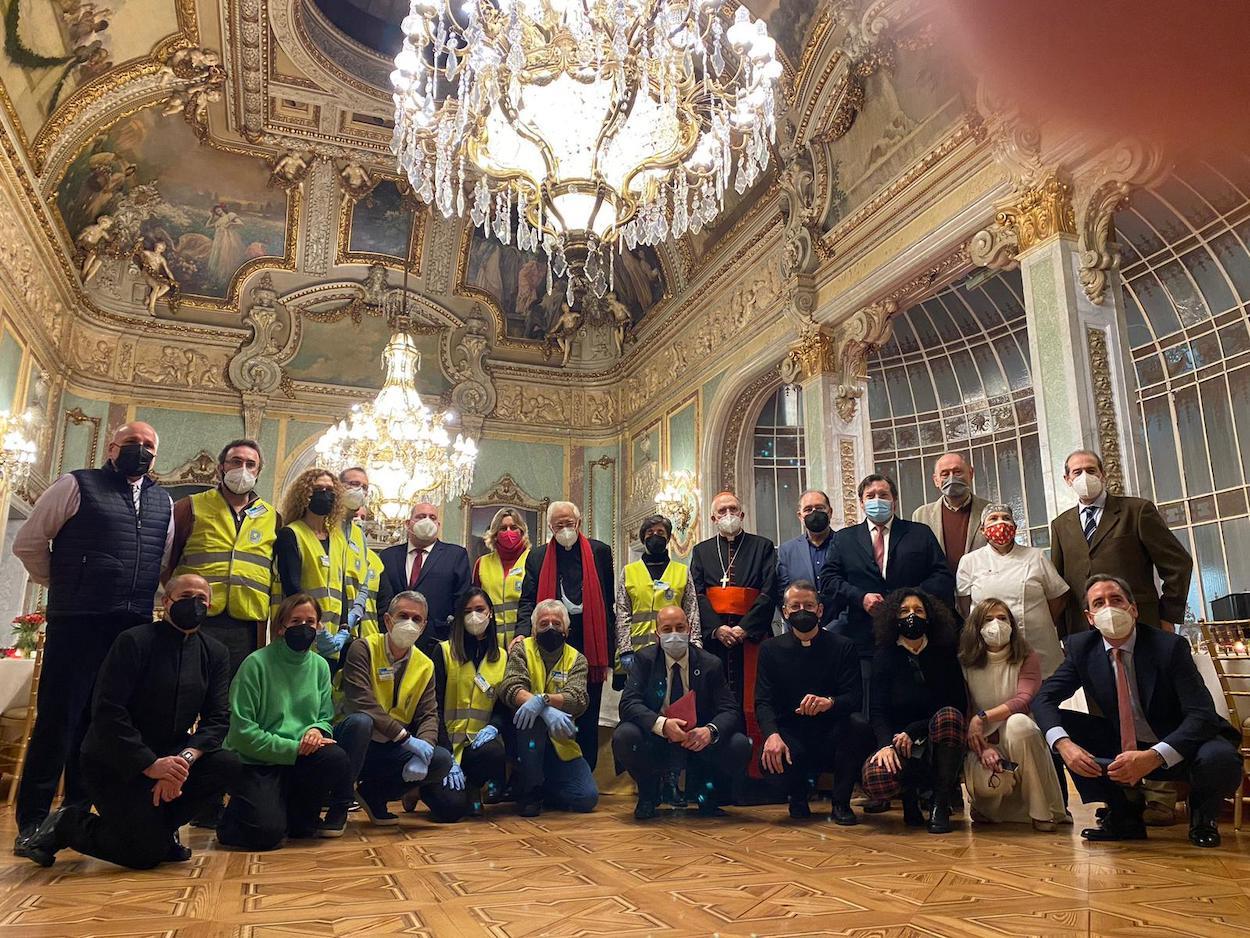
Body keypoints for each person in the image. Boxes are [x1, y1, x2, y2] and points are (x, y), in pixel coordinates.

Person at [12, 421, 174, 846]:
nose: (140, 450)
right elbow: (29, 543)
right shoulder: (76, 485)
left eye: (148, 446)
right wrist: (67, 586)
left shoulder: (164, 502)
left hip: (133, 628)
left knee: (106, 724)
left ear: (157, 456)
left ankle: (79, 814)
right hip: (78, 622)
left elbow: (160, 563)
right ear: (111, 446)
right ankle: (31, 821)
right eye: (132, 443)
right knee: (59, 720)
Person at [14, 575, 241, 869]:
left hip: (171, 759)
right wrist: (150, 764)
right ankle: (67, 823)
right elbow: (108, 712)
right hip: (115, 761)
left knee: (227, 764)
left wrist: (180, 763)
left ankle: (162, 830)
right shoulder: (134, 641)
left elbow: (217, 719)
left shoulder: (215, 653)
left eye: (201, 599)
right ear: (166, 601)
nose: (194, 604)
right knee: (144, 854)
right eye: (186, 596)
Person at [1033, 575, 1241, 848]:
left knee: (1220, 757)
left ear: (1133, 608)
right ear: (1090, 617)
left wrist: (1155, 756)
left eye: (1116, 600)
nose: (1109, 608)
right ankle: (1123, 817)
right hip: (1125, 740)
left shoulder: (1169, 647)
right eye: (1099, 603)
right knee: (1058, 728)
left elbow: (1201, 715)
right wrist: (1064, 745)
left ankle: (1203, 819)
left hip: (1179, 742)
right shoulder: (1081, 648)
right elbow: (1043, 699)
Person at [216, 594, 356, 849]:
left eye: (310, 621)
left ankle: (293, 811)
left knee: (335, 760)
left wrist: (316, 729)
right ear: (281, 627)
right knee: (265, 835)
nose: (304, 627)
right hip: (257, 760)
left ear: (319, 627)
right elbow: (241, 733)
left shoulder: (320, 666)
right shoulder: (255, 664)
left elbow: (325, 717)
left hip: (299, 757)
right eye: (296, 621)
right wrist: (292, 748)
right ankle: (232, 817)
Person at [820, 474, 954, 713]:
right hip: (864, 638)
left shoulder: (919, 533)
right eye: (870, 496)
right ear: (861, 503)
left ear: (894, 501)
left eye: (883, 495)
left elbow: (942, 577)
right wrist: (860, 597)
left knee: (917, 702)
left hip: (916, 639)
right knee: (870, 708)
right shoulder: (844, 539)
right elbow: (830, 581)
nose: (877, 500)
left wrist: (909, 599)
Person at [613, 605, 749, 820]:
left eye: (680, 627)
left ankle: (707, 796)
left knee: (739, 744)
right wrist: (662, 725)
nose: (674, 634)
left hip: (697, 740)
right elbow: (628, 704)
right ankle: (649, 795)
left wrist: (709, 731)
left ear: (689, 630)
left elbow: (730, 710)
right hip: (657, 739)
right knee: (625, 735)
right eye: (667, 629)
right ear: (657, 635)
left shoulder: (710, 664)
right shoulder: (644, 660)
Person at [755, 581, 875, 825]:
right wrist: (772, 735)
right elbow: (763, 700)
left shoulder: (843, 646)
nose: (802, 611)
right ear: (785, 612)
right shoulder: (770, 649)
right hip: (792, 734)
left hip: (831, 733)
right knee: (770, 759)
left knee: (858, 725)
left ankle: (840, 803)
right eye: (795, 606)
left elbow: (854, 698)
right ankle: (797, 797)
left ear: (820, 611)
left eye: (809, 605)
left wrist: (829, 702)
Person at [334, 590, 455, 824]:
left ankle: (374, 795)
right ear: (388, 620)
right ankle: (339, 804)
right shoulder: (363, 648)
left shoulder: (425, 665)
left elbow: (429, 714)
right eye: (403, 616)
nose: (409, 623)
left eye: (416, 619)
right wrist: (405, 738)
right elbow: (363, 701)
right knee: (362, 721)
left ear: (424, 626)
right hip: (353, 741)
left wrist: (425, 749)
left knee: (440, 760)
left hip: (390, 747)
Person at [515, 501, 615, 769]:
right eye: (559, 525)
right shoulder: (536, 557)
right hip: (551, 637)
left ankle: (584, 768)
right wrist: (521, 633)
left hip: (591, 640)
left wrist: (612, 650)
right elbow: (527, 601)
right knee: (549, 700)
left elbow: (608, 603)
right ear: (550, 527)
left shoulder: (600, 552)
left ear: (579, 522)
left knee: (588, 707)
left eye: (569, 523)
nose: (565, 529)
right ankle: (548, 769)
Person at [1050, 449, 1192, 635]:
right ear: (1067, 479)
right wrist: (1063, 634)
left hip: (1139, 622)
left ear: (1103, 475)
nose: (1085, 476)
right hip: (1083, 629)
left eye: (1091, 470)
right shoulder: (1060, 525)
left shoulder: (1137, 511)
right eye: (1077, 472)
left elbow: (1178, 564)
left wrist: (1168, 615)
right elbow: (1059, 585)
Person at [861, 589, 968, 834]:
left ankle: (940, 802)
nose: (912, 616)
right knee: (875, 777)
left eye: (918, 611)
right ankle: (909, 801)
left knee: (950, 717)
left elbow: (956, 705)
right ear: (894, 618)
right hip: (899, 740)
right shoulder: (884, 656)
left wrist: (914, 730)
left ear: (929, 617)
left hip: (938, 736)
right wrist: (886, 745)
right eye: (905, 611)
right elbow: (877, 710)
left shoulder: (944, 654)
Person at [168, 439, 277, 677]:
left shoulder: (272, 517)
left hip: (247, 624)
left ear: (258, 472)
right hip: (197, 615)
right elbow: (167, 562)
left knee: (233, 691)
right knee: (188, 683)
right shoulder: (189, 507)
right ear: (221, 468)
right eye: (236, 462)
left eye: (251, 464)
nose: (243, 470)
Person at [689, 491, 777, 778]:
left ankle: (753, 777)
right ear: (713, 518)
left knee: (752, 700)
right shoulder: (702, 551)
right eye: (722, 510)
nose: (728, 514)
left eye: (733, 509)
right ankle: (716, 778)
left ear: (742, 514)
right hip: (716, 642)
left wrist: (744, 628)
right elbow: (697, 594)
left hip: (750, 640)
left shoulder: (762, 547)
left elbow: (768, 591)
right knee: (714, 702)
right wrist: (716, 628)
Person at [958, 599, 1066, 831]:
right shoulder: (964, 662)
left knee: (1019, 725)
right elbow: (965, 710)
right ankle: (986, 807)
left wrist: (983, 717)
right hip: (981, 742)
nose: (996, 625)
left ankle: (1041, 811)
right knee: (992, 784)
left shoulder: (1027, 656)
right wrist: (983, 747)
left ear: (1012, 624)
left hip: (1019, 738)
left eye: (1002, 618)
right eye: (988, 619)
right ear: (976, 627)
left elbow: (1024, 700)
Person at [499, 600, 599, 817]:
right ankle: (530, 791)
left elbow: (579, 699)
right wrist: (541, 708)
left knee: (586, 797)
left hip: (561, 742)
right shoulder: (521, 650)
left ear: (566, 630)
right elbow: (510, 687)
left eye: (556, 623)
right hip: (525, 740)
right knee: (532, 716)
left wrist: (543, 700)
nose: (551, 628)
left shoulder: (577, 659)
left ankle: (542, 786)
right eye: (544, 624)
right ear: (534, 630)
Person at [424, 588, 511, 821]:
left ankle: (473, 787)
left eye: (480, 610)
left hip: (476, 744)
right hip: (444, 745)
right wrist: (445, 755)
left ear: (490, 613)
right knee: (450, 812)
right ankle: (419, 789)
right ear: (460, 617)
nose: (474, 616)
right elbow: (433, 708)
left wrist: (494, 726)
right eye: (468, 611)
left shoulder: (502, 657)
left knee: (495, 752)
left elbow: (504, 707)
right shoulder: (443, 651)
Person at [956, 503, 1068, 678]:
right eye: (993, 519)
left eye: (1006, 518)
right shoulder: (970, 562)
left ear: (1015, 528)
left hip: (1036, 642)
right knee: (1000, 698)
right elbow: (964, 606)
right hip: (992, 647)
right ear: (983, 531)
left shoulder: (1035, 556)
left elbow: (1057, 597)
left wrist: (1040, 622)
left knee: (1042, 698)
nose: (1000, 523)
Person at [273, 468, 352, 667]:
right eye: (318, 489)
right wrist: (317, 627)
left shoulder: (338, 537)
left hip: (333, 638)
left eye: (330, 490)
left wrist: (344, 627)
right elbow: (292, 586)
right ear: (305, 494)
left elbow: (340, 585)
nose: (325, 494)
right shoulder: (291, 534)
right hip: (302, 629)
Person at [614, 515, 700, 687]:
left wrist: (696, 647)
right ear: (643, 538)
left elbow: (692, 611)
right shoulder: (629, 571)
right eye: (650, 532)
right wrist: (625, 650)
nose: (655, 535)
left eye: (661, 532)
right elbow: (622, 612)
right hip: (637, 653)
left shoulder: (682, 571)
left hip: (675, 649)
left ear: (668, 538)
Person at [377, 502, 472, 641]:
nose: (427, 521)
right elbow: (382, 600)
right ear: (408, 523)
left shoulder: (456, 555)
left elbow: (461, 601)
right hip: (392, 638)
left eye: (432, 517)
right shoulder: (388, 556)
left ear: (438, 525)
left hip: (437, 640)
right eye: (421, 516)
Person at [911, 452, 989, 575]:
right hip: (937, 591)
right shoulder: (921, 516)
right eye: (945, 474)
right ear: (936, 480)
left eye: (957, 472)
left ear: (971, 473)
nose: (952, 478)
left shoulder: (990, 511)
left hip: (980, 588)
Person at [776, 490, 837, 626]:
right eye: (808, 509)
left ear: (830, 512)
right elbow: (782, 596)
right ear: (800, 516)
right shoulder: (787, 551)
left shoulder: (846, 544)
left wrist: (834, 628)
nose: (814, 513)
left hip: (841, 632)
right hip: (799, 633)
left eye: (820, 508)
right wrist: (798, 628)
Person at [472, 507, 531, 647]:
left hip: (525, 641)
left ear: (521, 531)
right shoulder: (482, 563)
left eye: (513, 527)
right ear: (495, 534)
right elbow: (474, 603)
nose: (509, 532)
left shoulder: (532, 559)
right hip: (489, 642)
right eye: (503, 528)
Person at [339, 466, 382, 638]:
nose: (360, 490)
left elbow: (363, 584)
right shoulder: (322, 526)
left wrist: (354, 615)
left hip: (353, 632)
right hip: (321, 623)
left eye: (364, 487)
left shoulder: (358, 536)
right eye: (354, 484)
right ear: (338, 486)